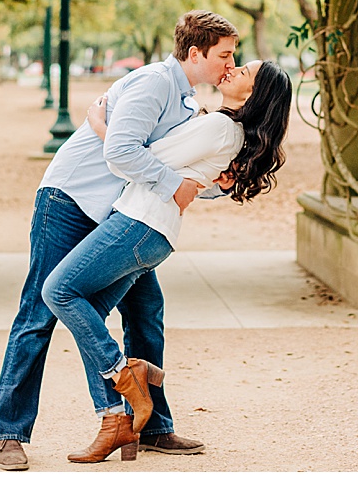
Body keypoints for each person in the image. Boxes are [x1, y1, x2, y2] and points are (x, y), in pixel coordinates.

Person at [0, 10, 239, 471]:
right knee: (38, 313)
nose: (230, 64)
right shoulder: (154, 84)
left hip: (119, 214)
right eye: (224, 54)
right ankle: (10, 433)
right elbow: (122, 152)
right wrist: (176, 187)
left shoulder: (187, 102)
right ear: (195, 53)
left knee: (146, 309)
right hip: (70, 201)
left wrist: (217, 184)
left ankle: (152, 427)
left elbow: (170, 166)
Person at [41, 60, 293, 463]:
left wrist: (99, 124)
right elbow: (180, 172)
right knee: (91, 320)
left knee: (58, 291)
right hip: (147, 228)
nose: (232, 68)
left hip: (138, 225)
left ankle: (128, 374)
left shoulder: (220, 129)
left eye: (243, 71)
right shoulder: (220, 127)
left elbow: (133, 157)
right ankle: (115, 423)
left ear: (255, 94)